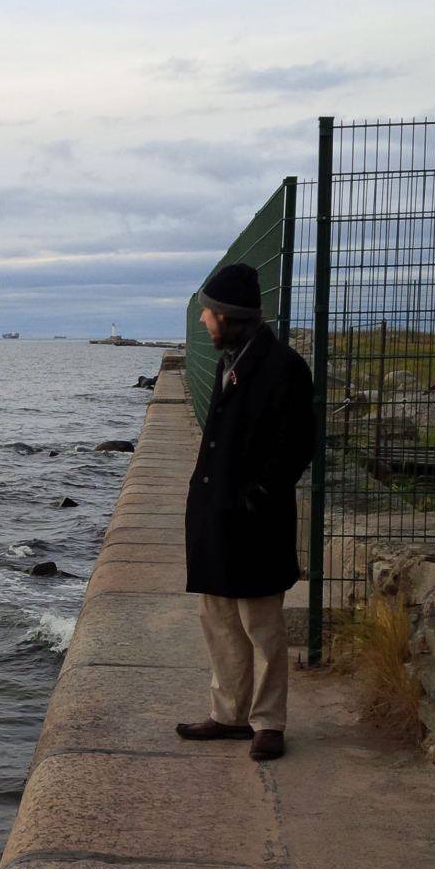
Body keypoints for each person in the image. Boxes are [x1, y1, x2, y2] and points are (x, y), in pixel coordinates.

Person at [175, 263, 315, 761]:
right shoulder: (227, 361)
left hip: (256, 522)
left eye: (209, 313)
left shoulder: (285, 368)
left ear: (229, 317)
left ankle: (268, 722)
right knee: (219, 623)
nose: (204, 322)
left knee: (262, 627)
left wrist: (255, 497)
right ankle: (230, 714)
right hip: (217, 518)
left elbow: (297, 446)